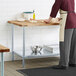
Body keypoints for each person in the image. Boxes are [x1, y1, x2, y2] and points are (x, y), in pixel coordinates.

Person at [44, 0, 76, 69]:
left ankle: (63, 64)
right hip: (74, 18)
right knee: (73, 42)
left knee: (64, 41)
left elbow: (55, 8)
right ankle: (73, 62)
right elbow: (69, 8)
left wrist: (49, 19)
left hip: (67, 20)